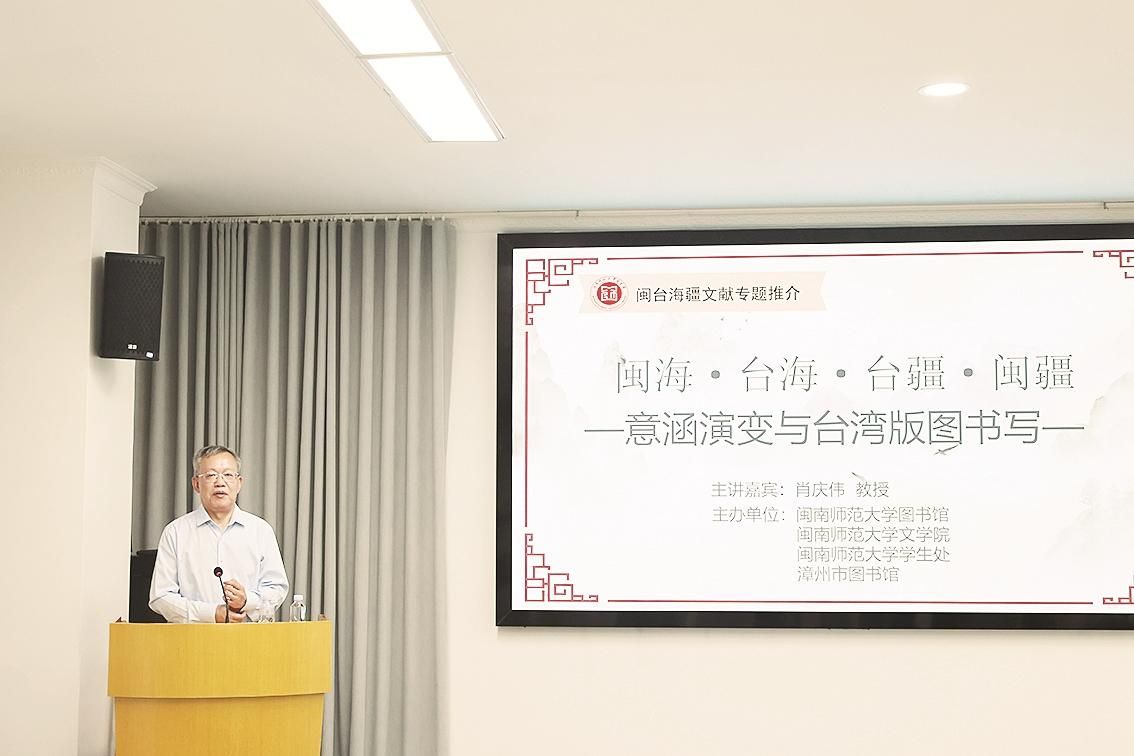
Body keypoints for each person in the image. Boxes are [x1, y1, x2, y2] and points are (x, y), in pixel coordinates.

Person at [149, 444, 289, 623]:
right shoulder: (176, 532)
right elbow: (161, 597)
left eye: (228, 475)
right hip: (192, 637)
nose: (220, 482)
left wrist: (246, 601)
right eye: (211, 475)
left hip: (248, 635)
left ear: (239, 483)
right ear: (196, 484)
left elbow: (277, 587)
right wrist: (212, 613)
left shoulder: (260, 531)